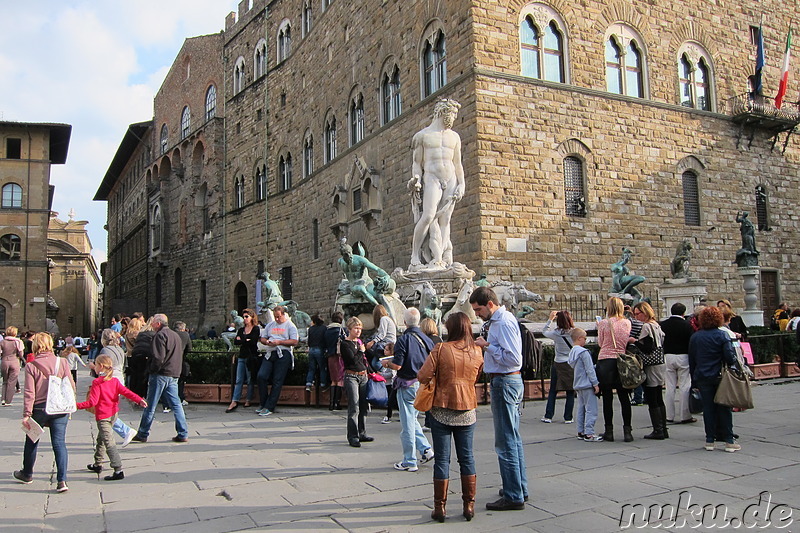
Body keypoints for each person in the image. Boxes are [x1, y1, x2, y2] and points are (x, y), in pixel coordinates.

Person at [417, 312, 483, 522]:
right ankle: (469, 506)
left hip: (441, 408)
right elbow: (477, 376)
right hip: (467, 409)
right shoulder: (477, 350)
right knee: (467, 458)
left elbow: (423, 375)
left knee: (442, 461)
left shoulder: (441, 349)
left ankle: (440, 508)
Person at [469, 286, 527, 511]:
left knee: (505, 441)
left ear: (490, 304)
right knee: (513, 437)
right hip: (507, 381)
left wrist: (487, 346)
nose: (477, 314)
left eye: (479, 309)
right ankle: (518, 486)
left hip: (505, 381)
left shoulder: (502, 323)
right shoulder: (501, 320)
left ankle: (514, 495)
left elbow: (513, 358)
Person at [408, 98, 465, 269]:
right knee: (428, 216)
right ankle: (415, 257)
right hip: (432, 178)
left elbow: (457, 163)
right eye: (451, 114)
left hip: (451, 178)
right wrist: (416, 180)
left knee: (445, 220)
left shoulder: (455, 137)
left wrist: (462, 183)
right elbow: (417, 164)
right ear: (442, 112)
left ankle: (442, 258)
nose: (453, 119)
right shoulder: (422, 136)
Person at [16, 332, 75, 492]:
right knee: (59, 443)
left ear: (36, 346)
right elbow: (71, 385)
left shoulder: (31, 365)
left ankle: (27, 473)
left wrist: (27, 414)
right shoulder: (62, 362)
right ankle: (62, 481)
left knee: (32, 440)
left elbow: (30, 392)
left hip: (40, 408)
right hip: (59, 408)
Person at [77, 354, 147, 481]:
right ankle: (98, 464)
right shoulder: (114, 381)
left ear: (101, 366)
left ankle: (118, 469)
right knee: (101, 439)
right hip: (113, 414)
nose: (95, 367)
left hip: (103, 417)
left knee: (109, 443)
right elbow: (126, 392)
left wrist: (75, 405)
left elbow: (91, 403)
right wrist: (139, 400)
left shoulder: (97, 383)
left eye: (96, 365)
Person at [382, 307, 435, 472]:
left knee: (407, 424)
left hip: (407, 384)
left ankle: (409, 461)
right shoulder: (426, 339)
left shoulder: (404, 340)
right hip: (422, 383)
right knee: (412, 420)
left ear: (404, 322)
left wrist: (387, 364)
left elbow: (397, 365)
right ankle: (426, 449)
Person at [688, 307, 739, 452]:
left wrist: (694, 380)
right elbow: (729, 357)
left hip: (702, 376)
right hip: (719, 376)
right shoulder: (722, 335)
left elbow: (692, 361)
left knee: (708, 409)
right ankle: (728, 440)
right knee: (724, 407)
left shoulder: (695, 337)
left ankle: (710, 439)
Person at [132, 314, 189, 443]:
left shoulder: (159, 335)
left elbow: (158, 357)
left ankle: (143, 432)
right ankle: (183, 432)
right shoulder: (176, 335)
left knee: (150, 405)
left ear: (158, 323)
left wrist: (152, 370)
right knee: (176, 404)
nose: (151, 324)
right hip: (173, 373)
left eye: (153, 322)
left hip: (160, 374)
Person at [596, 296, 634, 443]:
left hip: (606, 360)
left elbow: (600, 343)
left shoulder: (604, 323)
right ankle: (627, 431)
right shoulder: (626, 322)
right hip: (621, 360)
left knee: (607, 398)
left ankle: (609, 430)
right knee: (624, 397)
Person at [630, 302, 667, 440]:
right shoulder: (656, 325)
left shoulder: (646, 326)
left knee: (652, 396)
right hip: (660, 362)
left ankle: (658, 429)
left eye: (637, 313)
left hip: (651, 364)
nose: (636, 316)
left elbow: (647, 347)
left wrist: (634, 340)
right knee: (658, 395)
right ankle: (663, 427)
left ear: (645, 313)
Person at [93, 329, 136, 445]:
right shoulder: (120, 349)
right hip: (119, 378)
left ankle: (126, 431)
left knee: (105, 411)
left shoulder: (105, 350)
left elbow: (103, 367)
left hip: (109, 379)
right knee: (108, 409)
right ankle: (105, 439)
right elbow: (124, 366)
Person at [256, 305, 299, 417]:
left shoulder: (290, 326)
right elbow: (263, 338)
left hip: (283, 352)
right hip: (270, 352)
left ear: (284, 314)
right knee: (261, 376)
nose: (276, 319)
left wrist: (280, 342)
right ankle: (264, 402)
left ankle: (270, 406)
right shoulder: (270, 325)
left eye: (278, 317)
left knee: (277, 380)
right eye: (275, 316)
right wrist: (267, 342)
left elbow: (294, 341)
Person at [339, 317, 374, 448]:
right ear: (349, 329)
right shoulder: (345, 344)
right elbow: (352, 360)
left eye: (360, 328)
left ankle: (362, 432)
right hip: (351, 376)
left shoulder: (360, 342)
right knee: (354, 406)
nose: (358, 331)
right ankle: (353, 436)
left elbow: (364, 360)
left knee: (364, 405)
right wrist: (361, 350)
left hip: (363, 375)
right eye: (356, 328)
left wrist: (372, 371)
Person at [660, 303, 695, 424]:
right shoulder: (687, 325)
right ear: (683, 313)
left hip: (668, 355)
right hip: (683, 356)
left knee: (669, 386)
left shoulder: (663, 324)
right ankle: (685, 415)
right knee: (685, 385)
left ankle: (669, 415)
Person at [541, 310, 575, 424]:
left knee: (553, 391)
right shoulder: (574, 333)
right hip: (570, 364)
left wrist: (550, 319)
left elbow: (544, 332)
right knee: (570, 391)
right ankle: (568, 417)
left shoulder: (556, 333)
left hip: (558, 363)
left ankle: (548, 415)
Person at [567, 328, 602, 441]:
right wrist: (595, 384)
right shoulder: (584, 352)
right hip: (587, 384)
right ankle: (589, 433)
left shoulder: (572, 352)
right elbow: (590, 369)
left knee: (581, 408)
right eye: (585, 338)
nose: (586, 340)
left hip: (578, 384)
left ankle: (581, 431)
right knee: (591, 409)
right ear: (579, 338)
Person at [338, 239, 393, 308]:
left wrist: (386, 276)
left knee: (379, 295)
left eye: (350, 253)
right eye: (346, 254)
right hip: (355, 287)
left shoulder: (359, 260)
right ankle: (378, 308)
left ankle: (387, 313)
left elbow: (377, 269)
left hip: (367, 284)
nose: (349, 255)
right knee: (360, 289)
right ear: (342, 255)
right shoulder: (340, 262)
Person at [227, 309, 261, 413]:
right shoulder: (241, 329)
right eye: (244, 316)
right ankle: (234, 400)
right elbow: (236, 342)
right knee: (239, 379)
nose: (244, 319)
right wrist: (245, 340)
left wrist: (242, 340)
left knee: (250, 379)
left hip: (251, 357)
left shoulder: (256, 329)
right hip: (242, 356)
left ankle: (248, 399)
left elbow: (254, 341)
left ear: (252, 317)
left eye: (246, 316)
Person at [325, 312, 347, 411]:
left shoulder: (327, 330)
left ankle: (331, 404)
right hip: (339, 356)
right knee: (339, 379)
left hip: (330, 355)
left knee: (333, 380)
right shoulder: (341, 330)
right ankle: (337, 403)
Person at [365, 305, 397, 371]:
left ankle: (382, 371)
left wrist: (372, 342)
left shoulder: (383, 319)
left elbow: (382, 334)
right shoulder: (388, 318)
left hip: (386, 343)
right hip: (389, 342)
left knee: (375, 363)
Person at [1, 326, 25, 406]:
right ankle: (8, 400)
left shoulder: (2, 342)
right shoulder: (18, 342)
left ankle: (3, 399)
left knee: (5, 381)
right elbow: (21, 354)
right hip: (14, 361)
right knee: (12, 382)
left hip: (4, 361)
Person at [306, 314, 328, 392]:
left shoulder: (311, 329)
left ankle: (308, 384)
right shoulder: (324, 328)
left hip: (311, 349)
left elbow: (309, 340)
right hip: (320, 349)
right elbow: (325, 339)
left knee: (311, 368)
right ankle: (323, 385)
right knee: (322, 368)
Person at [381, 343, 398, 424]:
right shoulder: (385, 359)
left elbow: (392, 373)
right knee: (392, 400)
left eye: (387, 350)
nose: (384, 351)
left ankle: (388, 416)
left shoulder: (392, 360)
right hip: (387, 383)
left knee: (391, 401)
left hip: (392, 383)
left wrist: (381, 375)